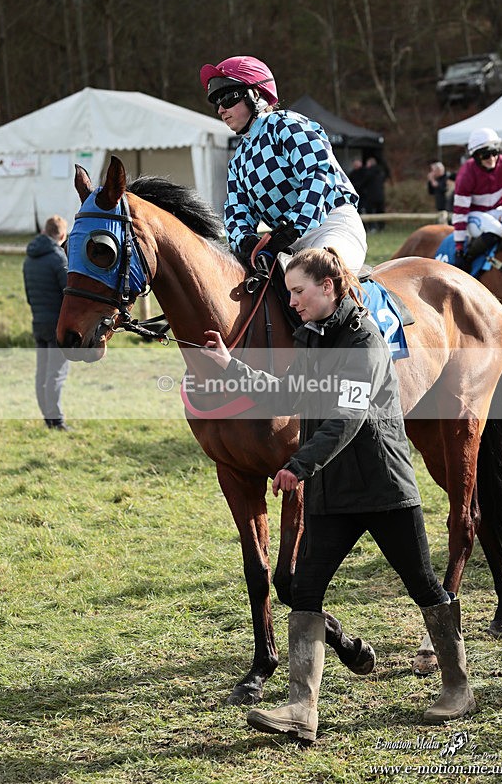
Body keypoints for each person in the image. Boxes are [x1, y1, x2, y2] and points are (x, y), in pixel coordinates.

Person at [203, 247, 475, 742]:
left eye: (298, 291)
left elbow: (347, 418)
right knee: (306, 591)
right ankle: (300, 709)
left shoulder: (364, 340)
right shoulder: (310, 337)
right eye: (289, 293)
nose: (292, 302)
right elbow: (289, 394)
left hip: (382, 490)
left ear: (327, 287)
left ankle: (458, 687)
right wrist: (230, 366)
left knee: (423, 586)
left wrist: (297, 466)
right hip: (331, 493)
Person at [199, 56, 367, 290]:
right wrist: (245, 241)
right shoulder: (238, 160)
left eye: (227, 98)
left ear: (256, 95)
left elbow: (318, 173)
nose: (221, 109)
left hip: (331, 225)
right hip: (287, 244)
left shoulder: (286, 124)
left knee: (317, 283)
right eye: (216, 102)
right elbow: (235, 211)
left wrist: (295, 226)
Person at [23, 215, 71, 430]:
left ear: (45, 231)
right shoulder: (58, 259)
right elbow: (69, 294)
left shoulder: (29, 258)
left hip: (38, 321)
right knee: (56, 373)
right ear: (62, 235)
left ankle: (47, 416)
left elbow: (28, 295)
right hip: (56, 323)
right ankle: (56, 420)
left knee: (42, 372)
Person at [453, 127, 502, 272]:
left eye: (494, 153)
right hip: (473, 214)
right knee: (497, 230)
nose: (492, 159)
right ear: (476, 156)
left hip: (497, 210)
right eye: (486, 155)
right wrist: (459, 247)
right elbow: (460, 212)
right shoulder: (466, 174)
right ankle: (468, 258)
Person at [361, 157, 386, 232]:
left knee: (370, 212)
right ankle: (381, 227)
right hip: (380, 195)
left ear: (370, 164)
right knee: (380, 211)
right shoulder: (381, 172)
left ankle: (372, 227)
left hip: (371, 196)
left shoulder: (369, 173)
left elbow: (363, 183)